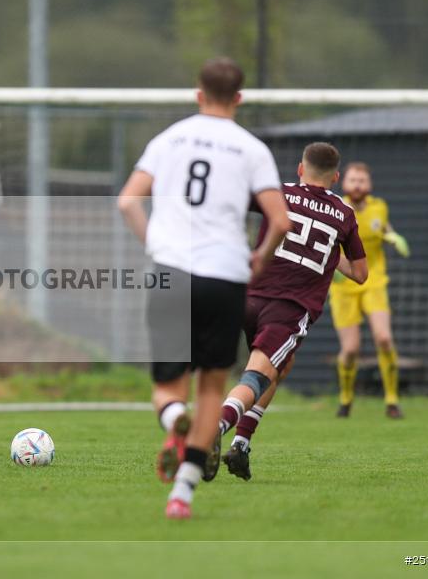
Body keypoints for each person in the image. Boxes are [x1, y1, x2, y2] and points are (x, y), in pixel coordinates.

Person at [117, 57, 291, 519]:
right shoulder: (252, 149)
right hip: (226, 276)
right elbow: (280, 220)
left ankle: (175, 420)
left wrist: (157, 243)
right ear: (239, 98)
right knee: (212, 388)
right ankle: (182, 496)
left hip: (173, 270)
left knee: (167, 388)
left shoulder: (169, 139)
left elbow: (128, 200)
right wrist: (259, 258)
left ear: (198, 93)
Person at [214, 143, 368, 482]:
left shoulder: (279, 193)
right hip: (289, 307)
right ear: (337, 177)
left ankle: (241, 444)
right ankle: (219, 427)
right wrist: (331, 252)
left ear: (301, 169)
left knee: (282, 364)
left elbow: (235, 202)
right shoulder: (343, 214)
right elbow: (360, 274)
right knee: (257, 374)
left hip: (248, 295)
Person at [330, 162, 409, 419]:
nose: (357, 185)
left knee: (384, 338)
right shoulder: (336, 207)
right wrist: (336, 270)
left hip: (374, 281)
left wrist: (392, 236)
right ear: (344, 183)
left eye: (362, 180)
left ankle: (392, 400)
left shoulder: (379, 207)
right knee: (351, 349)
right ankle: (345, 399)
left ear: (369, 185)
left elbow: (384, 228)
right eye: (353, 180)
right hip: (344, 285)